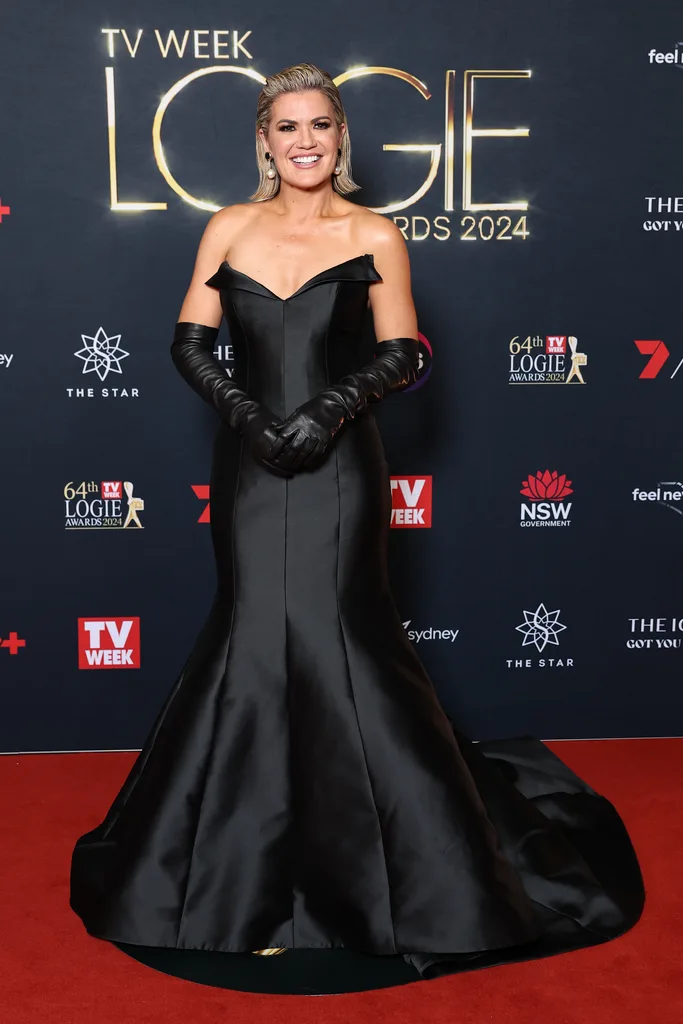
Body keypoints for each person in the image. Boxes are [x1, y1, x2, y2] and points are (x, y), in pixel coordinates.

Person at [69, 63, 645, 996]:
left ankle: (385, 873)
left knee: (342, 640)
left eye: (322, 126)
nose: (305, 141)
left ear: (341, 140)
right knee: (255, 639)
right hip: (250, 467)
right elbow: (186, 338)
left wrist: (321, 414)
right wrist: (251, 419)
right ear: (264, 138)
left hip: (340, 470)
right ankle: (239, 874)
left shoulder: (375, 231)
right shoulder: (229, 226)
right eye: (287, 126)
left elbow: (402, 350)